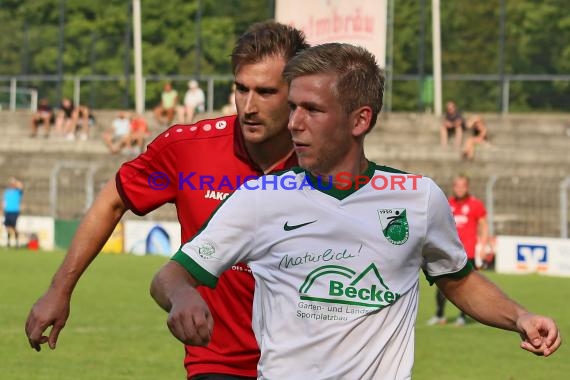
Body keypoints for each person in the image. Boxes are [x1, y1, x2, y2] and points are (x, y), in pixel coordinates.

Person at [150, 43, 561, 379]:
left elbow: (458, 279)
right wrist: (183, 294)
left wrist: (520, 316)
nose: (294, 122)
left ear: (359, 120)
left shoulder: (416, 198)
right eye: (293, 107)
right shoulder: (260, 197)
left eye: (312, 109)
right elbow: (170, 275)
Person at [25, 21, 309, 380]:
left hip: (306, 364)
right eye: (241, 88)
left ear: (296, 92)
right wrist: (58, 290)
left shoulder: (323, 161)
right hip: (218, 365)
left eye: (266, 92)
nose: (248, 106)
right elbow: (113, 199)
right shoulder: (187, 151)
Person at [427, 174, 488, 326]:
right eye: (457, 185)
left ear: (467, 187)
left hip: (468, 253)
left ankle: (462, 317)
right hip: (448, 252)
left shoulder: (475, 204)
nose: (460, 189)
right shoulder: (448, 203)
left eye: (463, 186)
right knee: (443, 285)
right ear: (453, 187)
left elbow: (483, 225)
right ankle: (440, 315)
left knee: (466, 287)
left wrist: (483, 246)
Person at [3, 177, 24, 247]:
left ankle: (17, 243)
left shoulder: (17, 192)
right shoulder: (7, 192)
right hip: (7, 211)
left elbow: (21, 186)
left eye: (13, 184)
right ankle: (8, 243)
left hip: (14, 211)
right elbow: (4, 202)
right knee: (7, 227)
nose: (12, 185)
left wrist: (16, 181)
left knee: (14, 227)